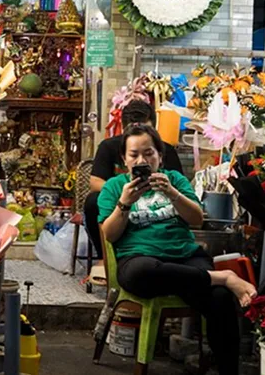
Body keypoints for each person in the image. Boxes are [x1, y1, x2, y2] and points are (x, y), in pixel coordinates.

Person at [97, 124, 255, 375]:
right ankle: (223, 277)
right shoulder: (115, 187)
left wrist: (172, 193)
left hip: (184, 257)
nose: (142, 161)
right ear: (124, 159)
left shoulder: (175, 180)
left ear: (160, 156)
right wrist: (124, 203)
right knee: (142, 271)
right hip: (140, 261)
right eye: (134, 154)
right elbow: (110, 234)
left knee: (220, 298)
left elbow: (196, 219)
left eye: (149, 153)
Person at [84, 100, 183, 251]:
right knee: (92, 201)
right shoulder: (108, 146)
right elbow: (95, 182)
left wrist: (164, 189)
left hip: (159, 202)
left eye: (146, 130)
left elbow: (181, 186)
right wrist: (124, 192)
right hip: (118, 200)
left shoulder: (166, 150)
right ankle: (103, 254)